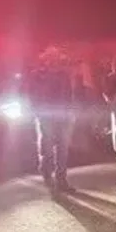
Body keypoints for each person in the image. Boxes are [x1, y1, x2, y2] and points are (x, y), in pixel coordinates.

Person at [25, 46, 77, 192]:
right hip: (46, 115)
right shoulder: (37, 75)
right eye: (51, 57)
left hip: (62, 114)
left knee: (62, 148)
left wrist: (70, 112)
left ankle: (61, 179)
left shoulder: (63, 74)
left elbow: (69, 95)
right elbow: (31, 95)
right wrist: (37, 111)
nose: (53, 60)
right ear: (46, 59)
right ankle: (47, 173)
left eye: (55, 57)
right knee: (47, 147)